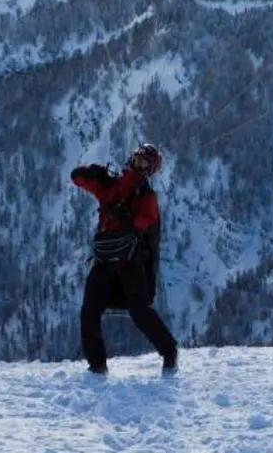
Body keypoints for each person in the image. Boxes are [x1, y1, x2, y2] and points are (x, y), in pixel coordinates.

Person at [71, 142, 178, 375]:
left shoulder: (145, 195)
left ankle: (169, 351)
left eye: (143, 161)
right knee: (89, 312)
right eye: (136, 157)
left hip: (131, 264)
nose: (137, 161)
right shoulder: (113, 185)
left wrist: (124, 216)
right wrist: (91, 172)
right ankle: (97, 365)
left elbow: (145, 222)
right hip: (106, 262)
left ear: (148, 169)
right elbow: (77, 178)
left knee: (140, 312)